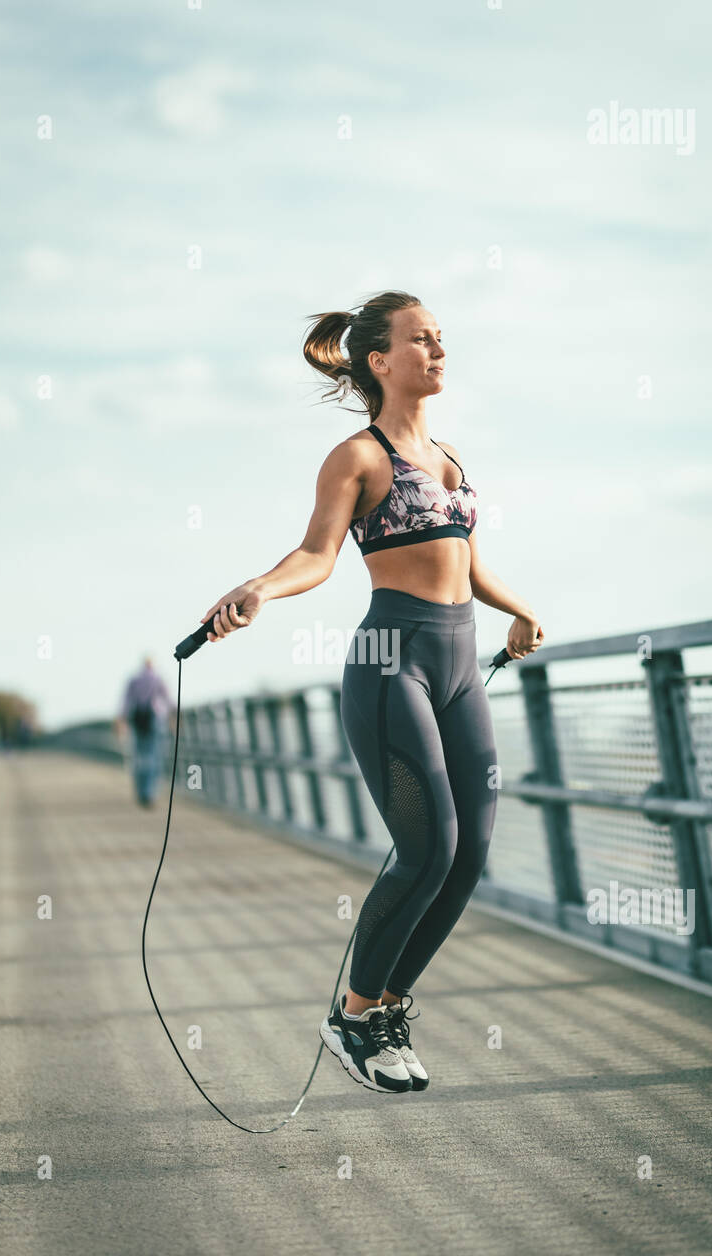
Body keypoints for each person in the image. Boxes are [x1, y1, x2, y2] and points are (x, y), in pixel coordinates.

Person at [198, 290, 544, 1094]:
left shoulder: (451, 458)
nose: (438, 350)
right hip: (394, 662)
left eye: (440, 338)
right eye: (420, 340)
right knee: (427, 847)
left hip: (461, 662)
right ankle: (355, 1018)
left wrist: (519, 609)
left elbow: (467, 561)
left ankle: (385, 1005)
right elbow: (317, 554)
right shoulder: (357, 456)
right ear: (380, 361)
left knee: (469, 858)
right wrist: (257, 588)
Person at [116, 656, 175, 808]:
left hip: (136, 721)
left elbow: (126, 701)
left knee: (138, 758)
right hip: (154, 721)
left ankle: (141, 791)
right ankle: (150, 792)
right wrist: (173, 718)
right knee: (154, 757)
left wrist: (121, 721)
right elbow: (168, 700)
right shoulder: (157, 679)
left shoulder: (134, 680)